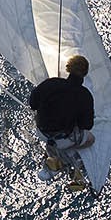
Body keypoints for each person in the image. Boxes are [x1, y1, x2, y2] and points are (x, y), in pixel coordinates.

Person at [29, 54, 95, 188]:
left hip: (42, 133)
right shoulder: (85, 95)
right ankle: (64, 157)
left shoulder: (51, 83)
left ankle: (53, 155)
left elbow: (33, 104)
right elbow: (87, 125)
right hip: (62, 140)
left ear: (68, 68)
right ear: (85, 73)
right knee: (91, 139)